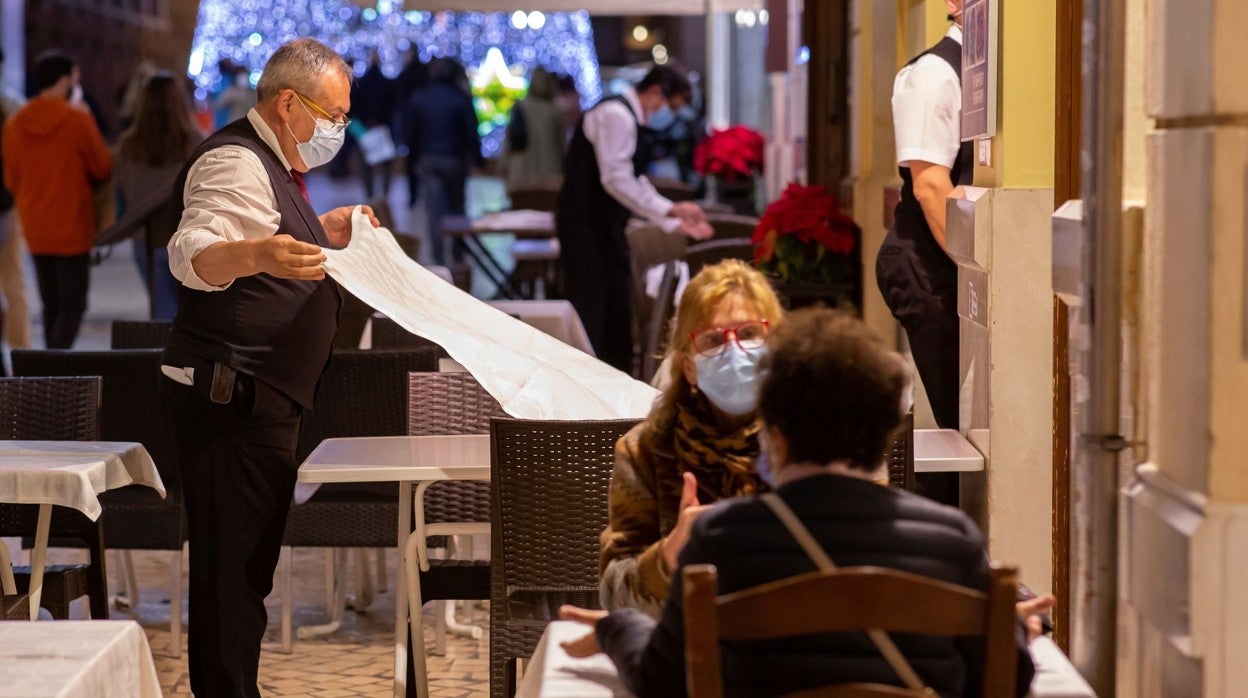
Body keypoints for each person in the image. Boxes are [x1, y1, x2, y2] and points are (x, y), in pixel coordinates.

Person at [562, 308, 1052, 696]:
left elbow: (662, 682)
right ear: (885, 432)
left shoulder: (723, 540)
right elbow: (1006, 681)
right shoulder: (950, 541)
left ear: (773, 433)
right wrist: (1011, 628)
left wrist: (619, 628)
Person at [160, 38, 377, 697]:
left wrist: (324, 232)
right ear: (288, 103)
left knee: (248, 574)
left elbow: (278, 241)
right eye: (334, 114)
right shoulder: (233, 160)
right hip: (233, 398)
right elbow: (192, 250)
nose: (340, 128)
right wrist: (254, 255)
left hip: (263, 397)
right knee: (230, 580)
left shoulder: (273, 164)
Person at [599, 259, 784, 618]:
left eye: (748, 333)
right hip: (689, 650)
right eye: (713, 340)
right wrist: (667, 556)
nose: (734, 352)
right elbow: (612, 594)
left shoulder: (821, 436)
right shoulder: (647, 450)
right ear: (688, 367)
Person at [557, 64, 713, 373]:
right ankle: (587, 386)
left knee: (616, 309)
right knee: (594, 311)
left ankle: (614, 383)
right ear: (655, 92)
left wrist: (672, 214)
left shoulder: (627, 116)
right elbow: (616, 179)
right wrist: (667, 212)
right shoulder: (617, 115)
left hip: (605, 227)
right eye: (671, 106)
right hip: (586, 227)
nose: (669, 114)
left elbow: (631, 178)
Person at [876, 0, 968, 433]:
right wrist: (982, 276)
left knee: (958, 422)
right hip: (926, 267)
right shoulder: (934, 74)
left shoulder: (977, 70)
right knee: (951, 425)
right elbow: (930, 186)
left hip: (945, 265)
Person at [2, 50, 111, 349]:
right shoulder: (78, 120)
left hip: (35, 225)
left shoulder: (16, 124)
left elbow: (11, 179)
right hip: (72, 224)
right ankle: (54, 361)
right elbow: (102, 166)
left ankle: (49, 367)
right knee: (73, 305)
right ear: (65, 81)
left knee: (50, 304)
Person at [113, 71, 203, 319]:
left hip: (146, 240)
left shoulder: (128, 146)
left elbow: (124, 191)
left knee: (162, 318)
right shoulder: (194, 142)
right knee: (192, 316)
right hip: (187, 237)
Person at [404, 57, 482, 266]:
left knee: (434, 214)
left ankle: (438, 259)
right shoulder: (461, 98)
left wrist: (413, 162)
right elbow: (471, 132)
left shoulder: (420, 98)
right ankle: (458, 255)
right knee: (458, 209)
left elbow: (410, 133)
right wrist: (477, 160)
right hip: (455, 162)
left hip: (430, 161)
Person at [0, 44, 31, 352]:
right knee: (13, 282)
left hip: (8, 205)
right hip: (8, 204)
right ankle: (20, 352)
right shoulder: (12, 106)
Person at [501, 67, 565, 193]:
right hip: (550, 169)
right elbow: (561, 143)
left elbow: (509, 141)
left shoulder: (520, 106)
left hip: (521, 171)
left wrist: (503, 166)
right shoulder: (555, 110)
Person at [349, 50, 396, 199]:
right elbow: (392, 106)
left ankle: (370, 194)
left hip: (365, 128)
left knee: (367, 163)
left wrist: (364, 122)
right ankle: (384, 193)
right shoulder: (387, 83)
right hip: (382, 127)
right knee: (386, 162)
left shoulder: (362, 83)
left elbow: (354, 107)